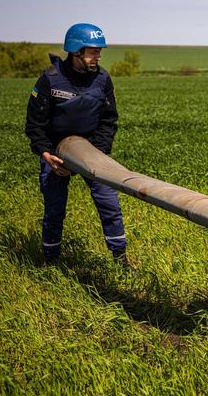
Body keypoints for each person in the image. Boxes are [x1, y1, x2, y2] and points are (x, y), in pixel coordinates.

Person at [25, 23, 129, 267]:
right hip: (55, 154)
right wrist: (47, 154)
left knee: (109, 203)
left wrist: (96, 154)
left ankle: (121, 259)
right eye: (93, 51)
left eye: (99, 51)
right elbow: (34, 125)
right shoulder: (50, 80)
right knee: (54, 209)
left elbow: (108, 120)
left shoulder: (102, 79)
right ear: (76, 51)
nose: (98, 56)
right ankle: (51, 262)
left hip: (92, 152)